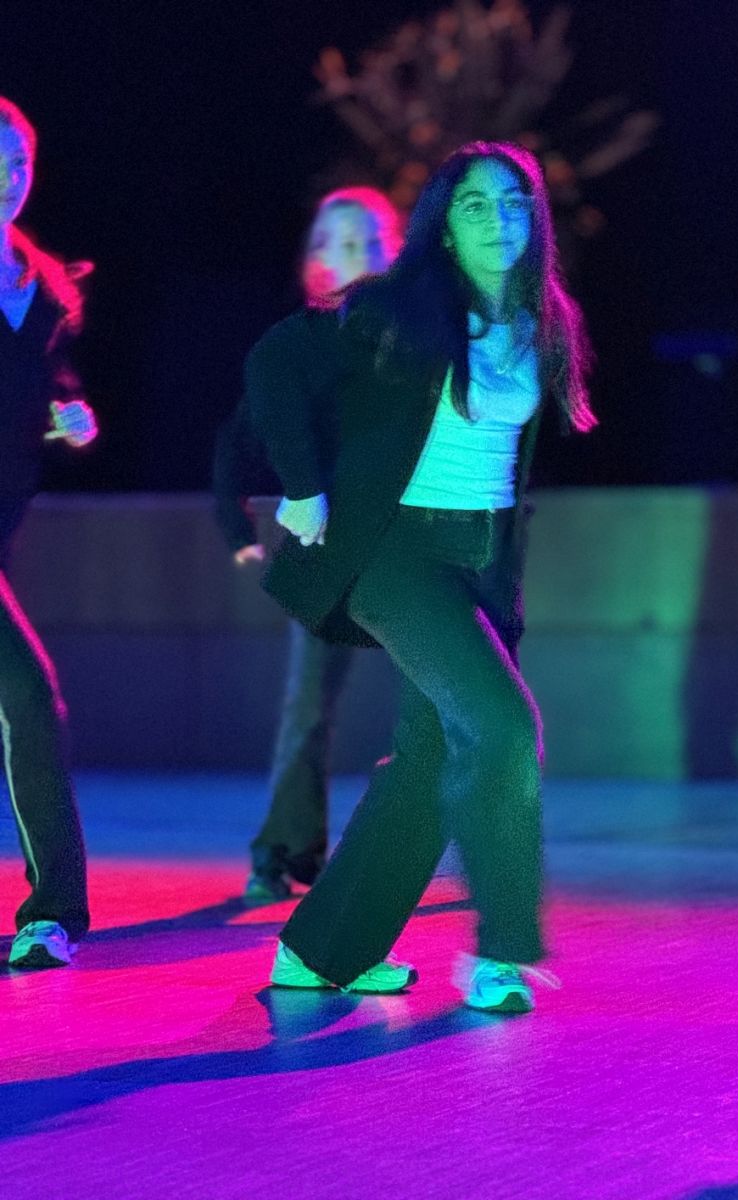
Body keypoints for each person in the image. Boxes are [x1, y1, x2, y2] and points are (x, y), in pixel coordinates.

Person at [248, 141, 595, 1013]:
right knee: (503, 728)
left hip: (485, 561)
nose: (498, 220)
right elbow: (275, 364)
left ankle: (320, 952)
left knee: (430, 755)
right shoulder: (395, 308)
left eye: (513, 203)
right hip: (397, 554)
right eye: (475, 205)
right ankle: (502, 951)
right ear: (443, 227)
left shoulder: (545, 319)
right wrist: (303, 486)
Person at [213, 187, 403, 901]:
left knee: (447, 698)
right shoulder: (300, 344)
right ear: (318, 259)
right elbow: (240, 436)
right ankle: (284, 847)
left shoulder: (420, 337)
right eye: (341, 243)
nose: (358, 255)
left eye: (370, 241)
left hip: (414, 543)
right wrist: (235, 523)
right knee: (308, 705)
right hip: (330, 549)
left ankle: (456, 840)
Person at [0, 97, 98, 969]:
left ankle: (53, 910)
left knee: (26, 699)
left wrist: (72, 416)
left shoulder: (43, 290)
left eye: (17, 163)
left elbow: (51, 386)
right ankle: (55, 910)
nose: (6, 179)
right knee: (31, 694)